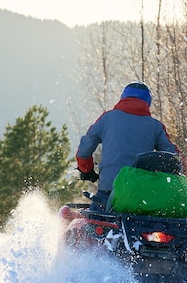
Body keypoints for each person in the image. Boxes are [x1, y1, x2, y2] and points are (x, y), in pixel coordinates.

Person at [76, 82, 180, 211]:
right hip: (141, 194)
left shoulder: (107, 118)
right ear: (148, 102)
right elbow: (174, 158)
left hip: (108, 192)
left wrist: (87, 171)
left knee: (94, 224)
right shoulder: (156, 126)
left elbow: (84, 149)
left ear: (123, 97)